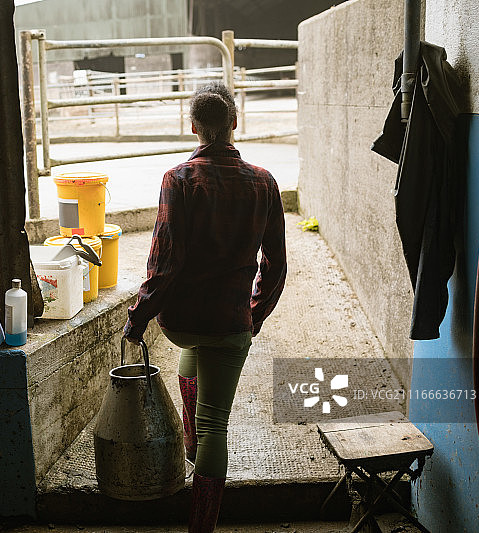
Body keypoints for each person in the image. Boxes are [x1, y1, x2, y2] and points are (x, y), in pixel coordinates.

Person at [123, 82, 287, 533]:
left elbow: (164, 261)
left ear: (193, 127)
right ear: (234, 123)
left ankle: (191, 440)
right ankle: (202, 526)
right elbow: (275, 263)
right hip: (230, 322)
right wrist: (254, 314)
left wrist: (138, 317)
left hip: (181, 322)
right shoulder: (265, 182)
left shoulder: (177, 179)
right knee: (219, 420)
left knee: (193, 351)